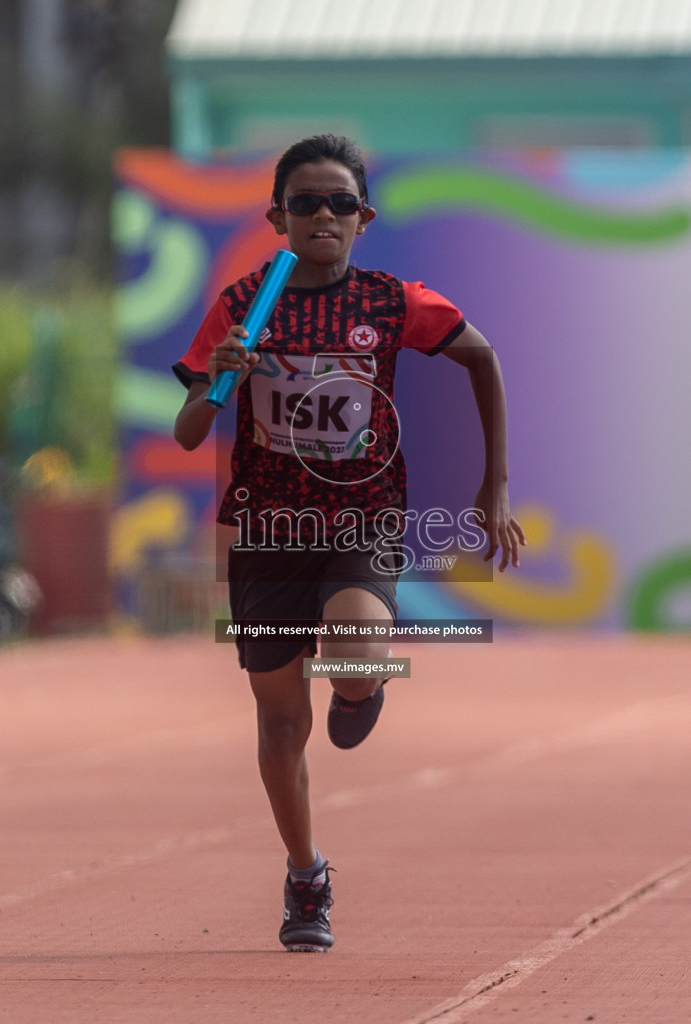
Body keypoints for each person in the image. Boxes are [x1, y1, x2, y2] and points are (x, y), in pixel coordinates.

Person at [172, 134, 525, 953]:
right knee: (277, 721)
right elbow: (189, 433)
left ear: (363, 217)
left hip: (361, 518)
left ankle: (360, 691)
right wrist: (224, 375)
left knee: (360, 655)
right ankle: (306, 874)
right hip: (267, 531)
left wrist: (494, 483)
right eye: (304, 203)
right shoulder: (242, 303)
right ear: (277, 217)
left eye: (338, 202)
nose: (322, 215)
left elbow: (481, 356)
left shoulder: (391, 301)